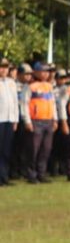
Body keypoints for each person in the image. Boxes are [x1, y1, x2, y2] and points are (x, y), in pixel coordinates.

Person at [23, 62, 58, 183]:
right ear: (36, 72)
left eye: (47, 71)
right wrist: (27, 121)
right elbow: (24, 104)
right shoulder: (31, 86)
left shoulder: (49, 86)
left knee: (46, 149)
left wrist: (55, 119)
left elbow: (52, 104)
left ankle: (41, 173)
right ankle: (31, 174)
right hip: (36, 120)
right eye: (43, 71)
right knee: (34, 149)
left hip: (48, 120)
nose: (45, 74)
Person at [0, 58, 18, 186]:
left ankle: (4, 176)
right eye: (2, 67)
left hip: (9, 119)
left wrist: (15, 119)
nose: (4, 70)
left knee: (6, 150)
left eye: (6, 67)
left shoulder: (11, 82)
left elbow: (15, 102)